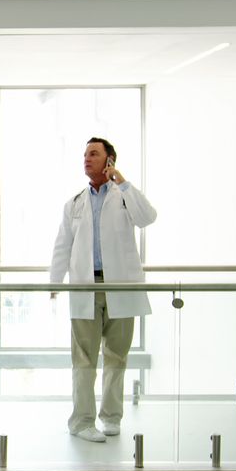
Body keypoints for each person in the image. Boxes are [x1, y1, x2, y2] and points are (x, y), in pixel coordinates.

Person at [49, 137, 156, 443]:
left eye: (94, 154)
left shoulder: (124, 196)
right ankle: (81, 421)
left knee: (116, 355)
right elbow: (63, 245)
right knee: (83, 357)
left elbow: (148, 217)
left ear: (110, 160)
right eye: (84, 154)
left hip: (119, 285)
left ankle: (111, 417)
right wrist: (54, 282)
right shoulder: (74, 203)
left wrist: (122, 182)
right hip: (86, 286)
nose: (86, 158)